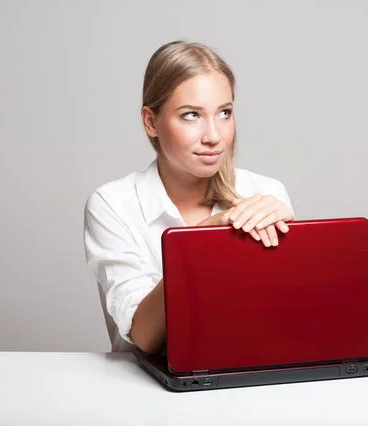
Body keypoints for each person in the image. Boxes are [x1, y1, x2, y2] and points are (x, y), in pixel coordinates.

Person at [84, 41, 295, 353]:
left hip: (248, 379)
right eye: (191, 115)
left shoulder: (265, 193)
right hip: (142, 391)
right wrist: (203, 242)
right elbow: (144, 334)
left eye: (225, 113)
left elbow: (281, 321)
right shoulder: (113, 204)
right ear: (150, 122)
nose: (213, 136)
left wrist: (295, 252)